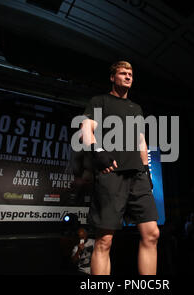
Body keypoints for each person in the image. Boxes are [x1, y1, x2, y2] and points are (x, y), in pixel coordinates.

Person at [80, 61, 159, 275]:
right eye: (123, 73)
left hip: (138, 176)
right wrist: (98, 152)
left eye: (131, 74)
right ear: (112, 77)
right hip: (111, 174)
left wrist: (147, 171)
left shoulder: (136, 108)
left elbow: (141, 141)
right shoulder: (100, 101)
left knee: (152, 234)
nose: (128, 76)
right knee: (104, 240)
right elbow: (85, 130)